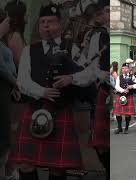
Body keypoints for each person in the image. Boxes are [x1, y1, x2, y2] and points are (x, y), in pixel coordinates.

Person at [10, 4, 91, 180]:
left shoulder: (72, 48)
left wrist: (72, 78)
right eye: (42, 22)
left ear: (60, 25)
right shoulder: (28, 50)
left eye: (51, 22)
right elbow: (22, 80)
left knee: (57, 168)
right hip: (34, 109)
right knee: (25, 163)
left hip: (60, 111)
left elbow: (90, 73)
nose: (46, 25)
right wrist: (42, 91)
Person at [0, 11, 19, 180]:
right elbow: (1, 68)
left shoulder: (3, 41)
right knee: (4, 134)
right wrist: (16, 82)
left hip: (6, 89)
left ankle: (8, 169)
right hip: (3, 90)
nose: (8, 25)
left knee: (8, 131)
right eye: (6, 21)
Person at [113, 62, 136, 134]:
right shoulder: (119, 77)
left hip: (128, 96)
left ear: (128, 69)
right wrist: (123, 90)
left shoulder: (132, 76)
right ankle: (119, 128)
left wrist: (132, 86)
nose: (124, 70)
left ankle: (127, 128)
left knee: (127, 114)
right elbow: (117, 86)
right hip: (120, 95)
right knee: (118, 113)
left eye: (126, 68)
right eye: (123, 68)